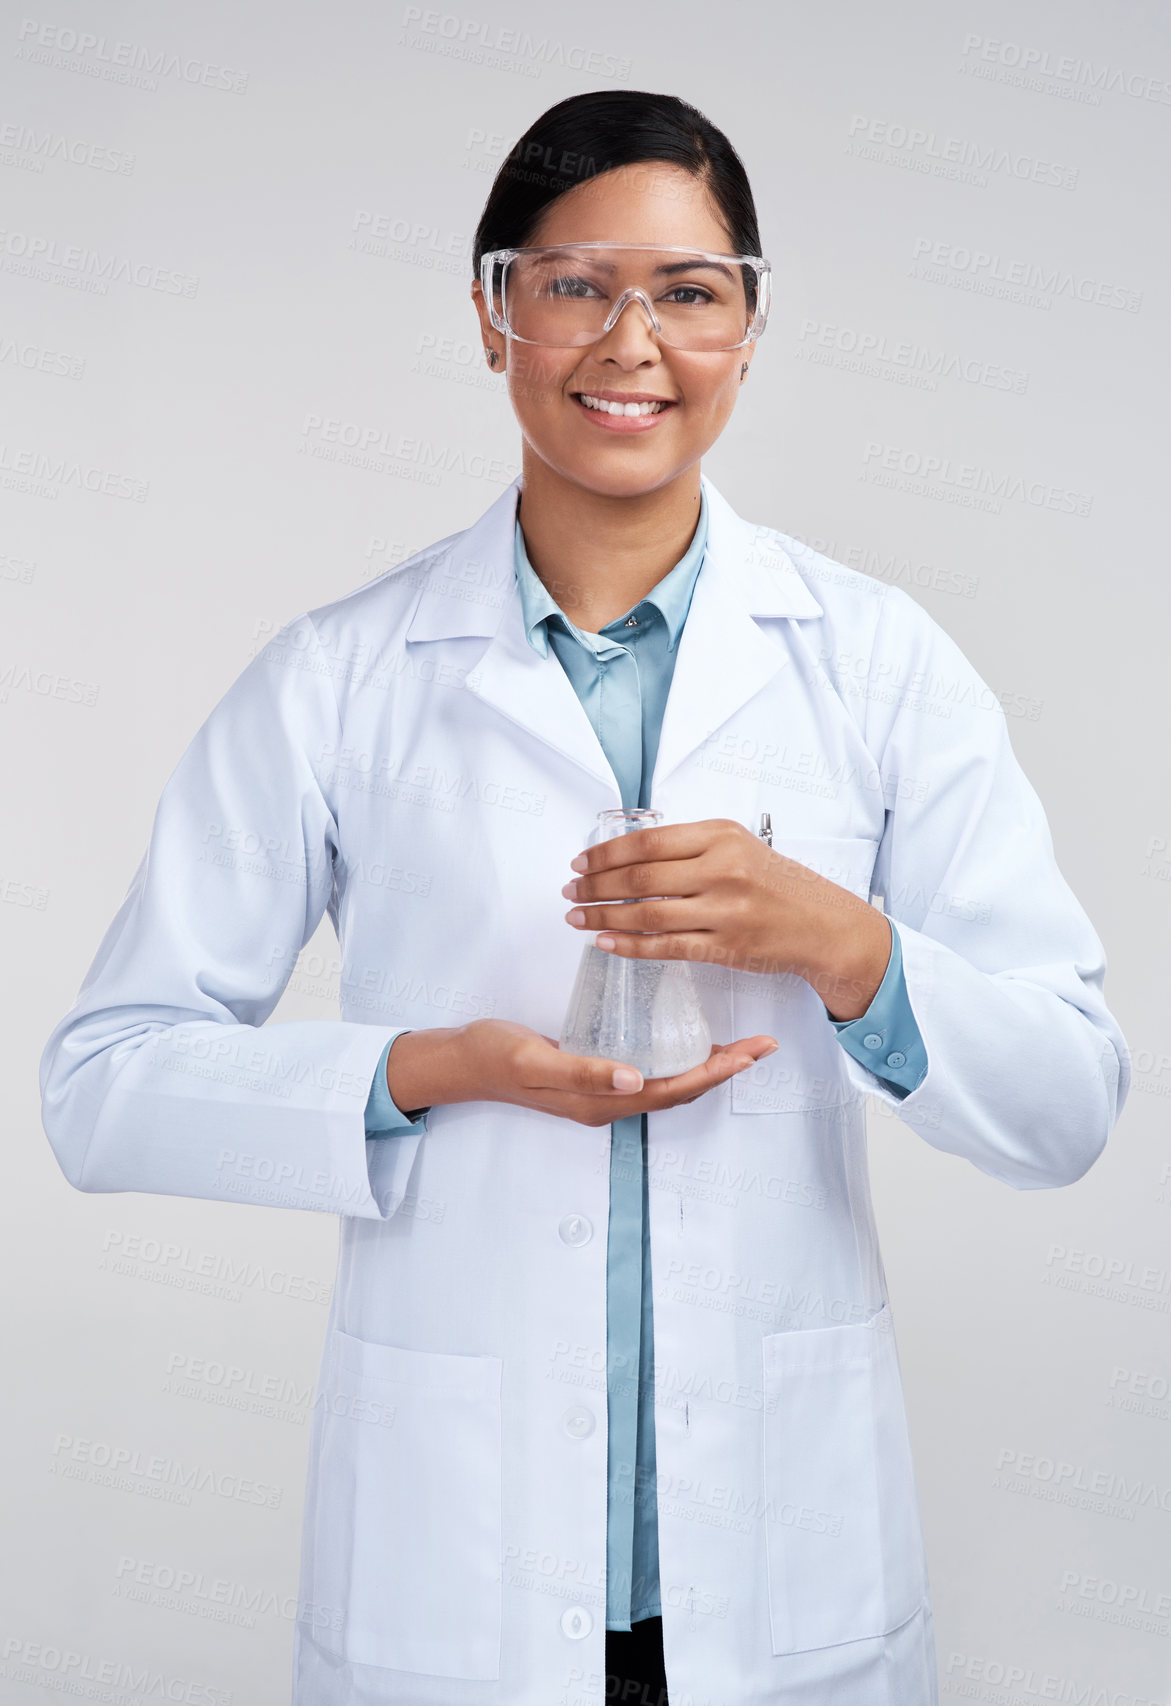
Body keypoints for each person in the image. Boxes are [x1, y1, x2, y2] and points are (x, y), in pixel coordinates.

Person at [39, 90, 1129, 1706]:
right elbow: (102, 1086)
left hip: (782, 1574)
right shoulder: (346, 676)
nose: (634, 341)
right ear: (494, 314)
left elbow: (1067, 1101)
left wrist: (842, 942)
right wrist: (432, 1070)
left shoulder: (879, 665)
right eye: (576, 285)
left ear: (752, 328)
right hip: (457, 1583)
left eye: (689, 292)